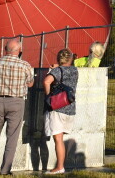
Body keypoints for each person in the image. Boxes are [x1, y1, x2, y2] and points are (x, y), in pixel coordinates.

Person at [0, 39, 34, 176]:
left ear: (5, 49)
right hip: (16, 102)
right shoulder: (25, 65)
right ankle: (5, 171)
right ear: (19, 50)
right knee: (12, 138)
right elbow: (30, 83)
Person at [43, 47, 79, 175]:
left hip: (57, 107)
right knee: (61, 138)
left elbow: (47, 81)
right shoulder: (75, 71)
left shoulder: (57, 71)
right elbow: (66, 69)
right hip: (70, 107)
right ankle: (61, 164)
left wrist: (49, 97)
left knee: (57, 140)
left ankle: (59, 167)